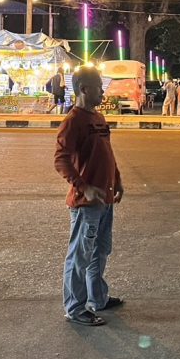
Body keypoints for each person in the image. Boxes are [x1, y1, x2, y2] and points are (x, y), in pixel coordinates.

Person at [53, 66, 125, 326]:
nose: (102, 93)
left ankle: (97, 298)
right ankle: (75, 308)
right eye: (98, 88)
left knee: (100, 251)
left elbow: (107, 153)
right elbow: (61, 160)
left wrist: (117, 180)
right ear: (84, 89)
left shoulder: (99, 118)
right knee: (80, 255)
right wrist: (83, 187)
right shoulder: (73, 121)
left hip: (105, 199)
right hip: (86, 203)